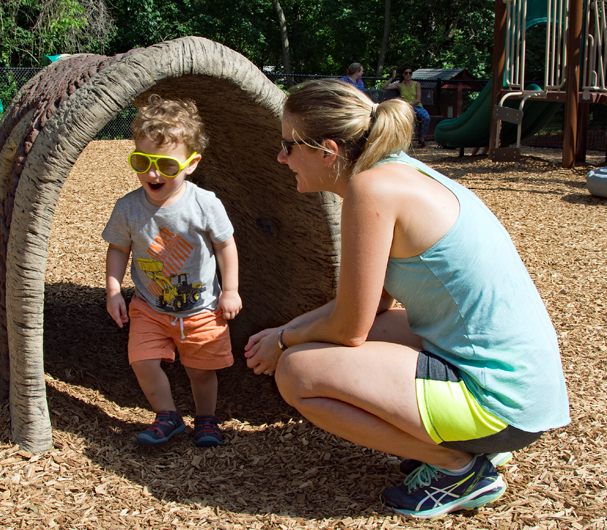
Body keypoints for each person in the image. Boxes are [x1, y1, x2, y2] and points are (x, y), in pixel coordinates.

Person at [244, 79, 569, 519]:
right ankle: (462, 446)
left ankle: (458, 468)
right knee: (357, 334)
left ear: (327, 149)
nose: (281, 157)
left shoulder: (371, 191)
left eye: (288, 145)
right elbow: (371, 308)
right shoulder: (399, 172)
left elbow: (348, 329)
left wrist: (283, 342)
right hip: (526, 392)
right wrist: (287, 331)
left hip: (500, 406)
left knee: (296, 373)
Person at [103, 94, 242, 448]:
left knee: (200, 370)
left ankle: (207, 419)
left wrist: (230, 290)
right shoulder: (129, 208)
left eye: (165, 165)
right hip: (151, 306)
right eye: (142, 161)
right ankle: (167, 415)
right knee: (142, 360)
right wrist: (114, 290)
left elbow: (226, 245)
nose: (152, 173)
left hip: (200, 309)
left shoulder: (204, 204)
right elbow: (119, 249)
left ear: (190, 163)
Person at [385, 66, 430, 147]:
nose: (408, 74)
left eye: (410, 73)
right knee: (411, 118)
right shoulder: (399, 85)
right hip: (405, 108)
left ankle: (422, 138)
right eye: (406, 73)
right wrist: (392, 78)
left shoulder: (417, 84)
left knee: (426, 117)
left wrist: (410, 105)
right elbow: (384, 87)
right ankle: (410, 140)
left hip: (417, 106)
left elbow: (418, 99)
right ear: (403, 74)